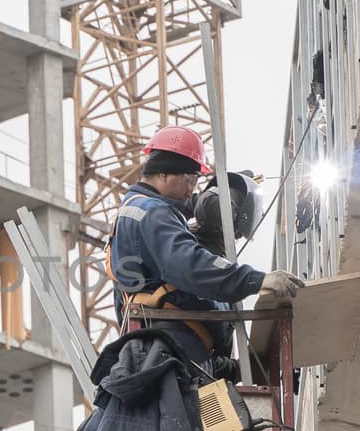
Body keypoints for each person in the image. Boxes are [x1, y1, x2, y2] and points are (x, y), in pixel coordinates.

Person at [105, 125, 303, 369]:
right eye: (190, 180)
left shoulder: (145, 212)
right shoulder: (152, 213)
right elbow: (191, 265)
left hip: (170, 352)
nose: (191, 189)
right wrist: (256, 280)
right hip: (167, 350)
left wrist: (241, 369)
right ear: (164, 174)